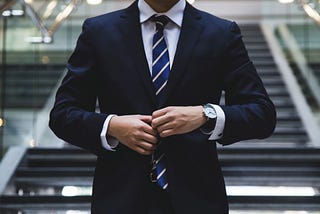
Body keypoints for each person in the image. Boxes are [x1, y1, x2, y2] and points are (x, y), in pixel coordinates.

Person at [49, 0, 276, 213]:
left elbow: (262, 113)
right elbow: (63, 114)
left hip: (199, 199)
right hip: (119, 198)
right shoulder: (98, 31)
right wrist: (112, 126)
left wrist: (206, 114)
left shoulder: (221, 33)